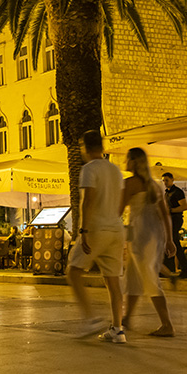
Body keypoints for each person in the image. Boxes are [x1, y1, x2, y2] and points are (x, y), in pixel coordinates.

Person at [66, 130, 127, 343]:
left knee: (73, 271)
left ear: (85, 148)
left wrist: (83, 231)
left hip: (97, 228)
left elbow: (88, 200)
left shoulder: (89, 169)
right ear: (102, 147)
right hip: (116, 228)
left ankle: (90, 318)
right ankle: (118, 329)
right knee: (113, 280)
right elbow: (120, 201)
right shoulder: (115, 170)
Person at [121, 148, 176, 337]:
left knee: (148, 279)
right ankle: (127, 317)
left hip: (139, 234)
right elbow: (165, 215)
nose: (124, 162)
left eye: (127, 159)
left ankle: (167, 324)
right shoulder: (155, 185)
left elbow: (118, 210)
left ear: (134, 162)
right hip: (156, 234)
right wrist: (169, 240)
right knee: (135, 276)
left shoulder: (129, 183)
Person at [161, 172, 187, 278]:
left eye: (167, 180)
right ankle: (169, 268)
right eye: (163, 181)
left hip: (176, 219)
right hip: (169, 220)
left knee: (175, 243)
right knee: (168, 242)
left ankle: (185, 269)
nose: (165, 183)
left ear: (172, 180)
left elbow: (184, 206)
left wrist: (170, 210)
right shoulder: (166, 193)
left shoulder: (177, 192)